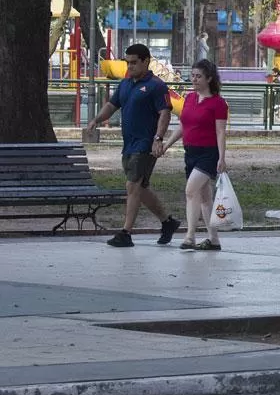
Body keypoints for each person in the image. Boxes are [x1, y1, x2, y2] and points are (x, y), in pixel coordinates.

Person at [83, 43, 180, 248]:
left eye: (134, 62)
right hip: (129, 144)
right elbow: (112, 105)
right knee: (140, 188)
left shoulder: (156, 85)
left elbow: (165, 112)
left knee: (132, 185)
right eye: (127, 63)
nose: (130, 66)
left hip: (146, 145)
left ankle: (126, 233)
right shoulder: (126, 83)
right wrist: (96, 120)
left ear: (146, 61)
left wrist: (158, 138)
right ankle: (168, 222)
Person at [157, 59, 228, 251]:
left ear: (209, 79)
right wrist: (167, 144)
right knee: (205, 198)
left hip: (208, 153)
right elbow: (183, 125)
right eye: (193, 76)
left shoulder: (218, 103)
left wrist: (222, 157)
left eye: (199, 76)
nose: (194, 79)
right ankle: (214, 239)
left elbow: (220, 131)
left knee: (190, 190)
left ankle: (190, 236)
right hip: (190, 152)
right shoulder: (189, 98)